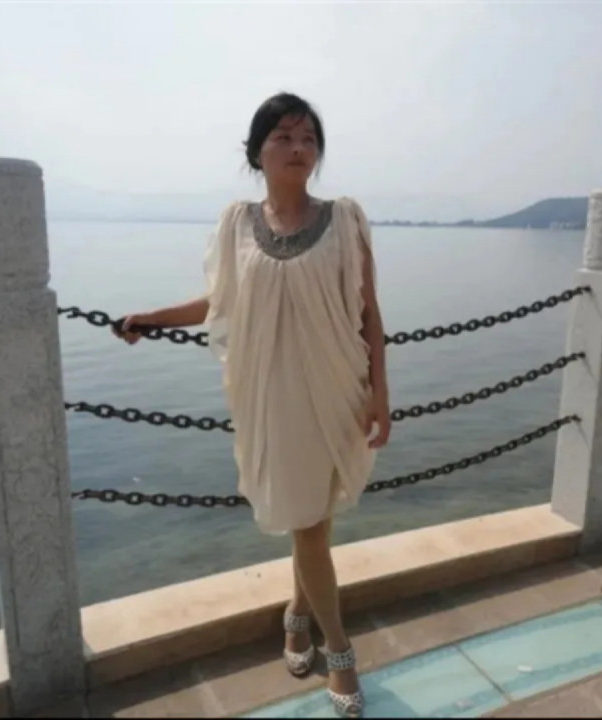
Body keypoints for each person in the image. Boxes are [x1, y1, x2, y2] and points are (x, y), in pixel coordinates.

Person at [113, 92, 390, 718]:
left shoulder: (346, 219)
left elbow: (370, 314)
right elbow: (218, 302)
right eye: (283, 136)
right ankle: (340, 651)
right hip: (274, 397)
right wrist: (153, 318)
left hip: (339, 388)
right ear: (257, 151)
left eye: (309, 138)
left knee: (314, 520)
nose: (298, 148)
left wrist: (381, 395)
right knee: (307, 522)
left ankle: (297, 615)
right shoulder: (237, 223)